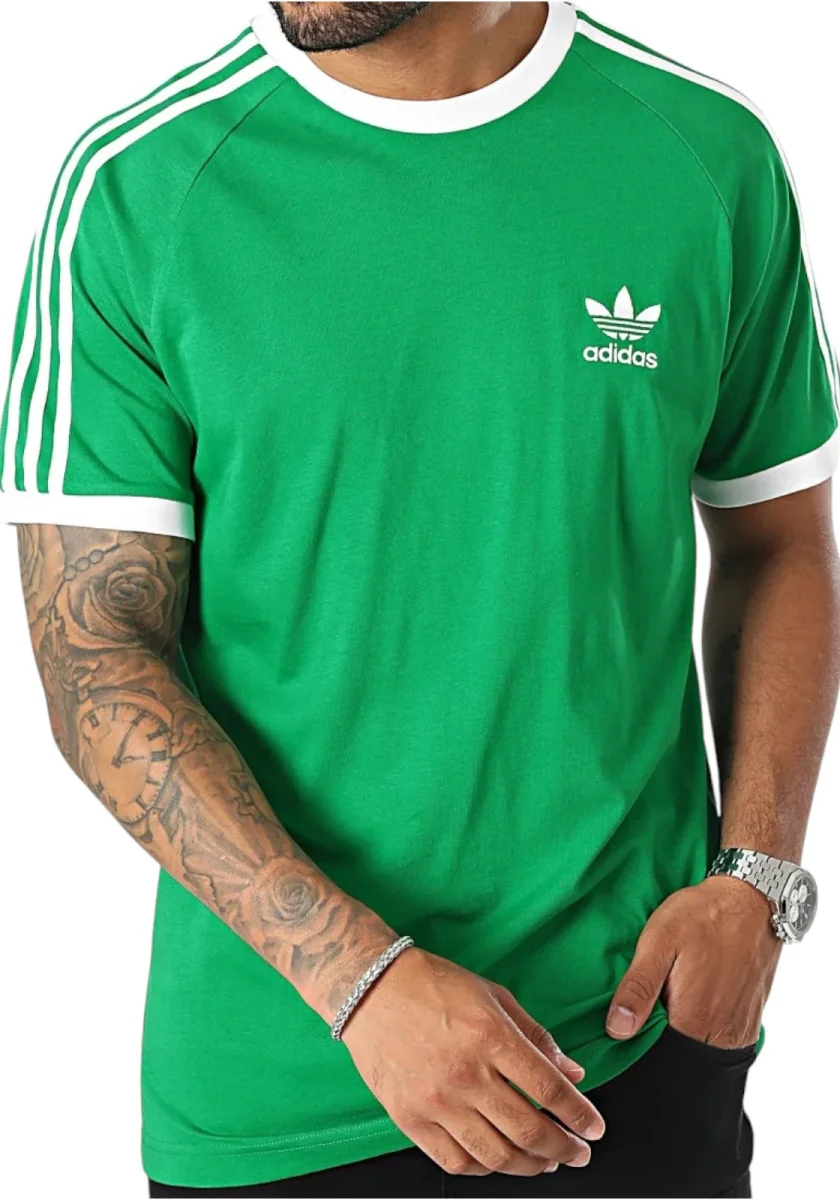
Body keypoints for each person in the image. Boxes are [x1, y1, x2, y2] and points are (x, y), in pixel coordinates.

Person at [2, 2, 838, 1196]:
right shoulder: (141, 188)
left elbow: (777, 541)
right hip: (288, 1088)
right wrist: (361, 979)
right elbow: (97, 655)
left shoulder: (701, 154)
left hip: (635, 1045)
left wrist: (758, 882)